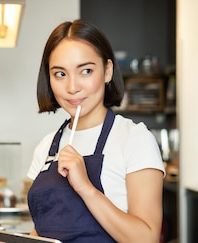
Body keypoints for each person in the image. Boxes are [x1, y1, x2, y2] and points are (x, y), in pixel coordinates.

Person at [25, 19, 166, 243]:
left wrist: (85, 188)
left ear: (107, 71)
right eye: (60, 74)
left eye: (86, 71)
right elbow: (45, 230)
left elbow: (146, 238)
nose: (72, 87)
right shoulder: (46, 146)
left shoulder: (135, 139)